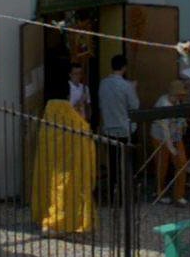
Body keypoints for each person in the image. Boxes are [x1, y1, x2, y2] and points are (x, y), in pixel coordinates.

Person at [30, 98, 96, 235]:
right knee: (69, 196)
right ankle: (66, 223)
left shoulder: (47, 128)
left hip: (52, 174)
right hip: (73, 173)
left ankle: (51, 221)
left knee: (52, 193)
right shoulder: (79, 128)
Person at [97, 55, 138, 199]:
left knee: (113, 164)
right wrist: (133, 88)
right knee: (126, 164)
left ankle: (113, 193)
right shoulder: (126, 86)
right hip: (124, 129)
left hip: (108, 127)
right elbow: (135, 106)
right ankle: (125, 194)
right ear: (124, 67)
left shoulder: (103, 83)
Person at [150, 80, 188, 203]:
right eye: (179, 94)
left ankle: (179, 195)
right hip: (161, 136)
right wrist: (171, 148)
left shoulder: (177, 102)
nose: (181, 97)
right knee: (162, 165)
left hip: (176, 136)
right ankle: (159, 192)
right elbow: (164, 128)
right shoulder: (164, 104)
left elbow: (180, 119)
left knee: (181, 163)